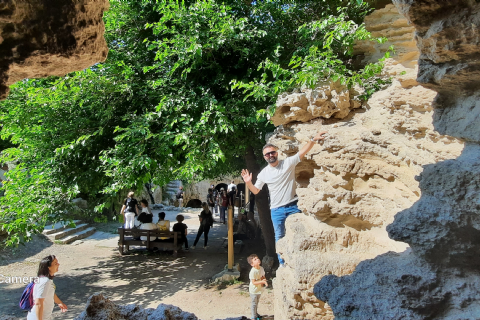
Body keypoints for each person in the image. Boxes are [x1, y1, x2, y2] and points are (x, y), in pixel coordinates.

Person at [241, 131, 327, 266]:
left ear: (277, 153)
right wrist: (248, 183)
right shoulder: (264, 173)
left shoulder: (287, 163)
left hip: (293, 206)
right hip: (276, 210)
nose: (270, 155)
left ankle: (301, 260)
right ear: (264, 157)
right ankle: (282, 264)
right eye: (267, 154)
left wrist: (312, 139)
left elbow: (302, 152)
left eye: (272, 152)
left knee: (300, 233)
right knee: (279, 236)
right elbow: (256, 191)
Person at [27, 255, 67, 320]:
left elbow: (50, 293)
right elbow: (38, 303)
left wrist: (59, 302)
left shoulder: (46, 280)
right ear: (48, 267)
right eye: (55, 263)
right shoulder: (45, 282)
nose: (58, 264)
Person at [247, 254, 267, 320]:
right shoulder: (253, 272)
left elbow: (263, 276)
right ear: (252, 264)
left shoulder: (261, 268)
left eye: (257, 258)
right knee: (254, 303)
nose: (257, 259)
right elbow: (254, 282)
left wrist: (264, 279)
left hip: (259, 289)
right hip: (254, 290)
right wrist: (262, 282)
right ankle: (253, 316)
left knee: (257, 302)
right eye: (255, 259)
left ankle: (256, 314)